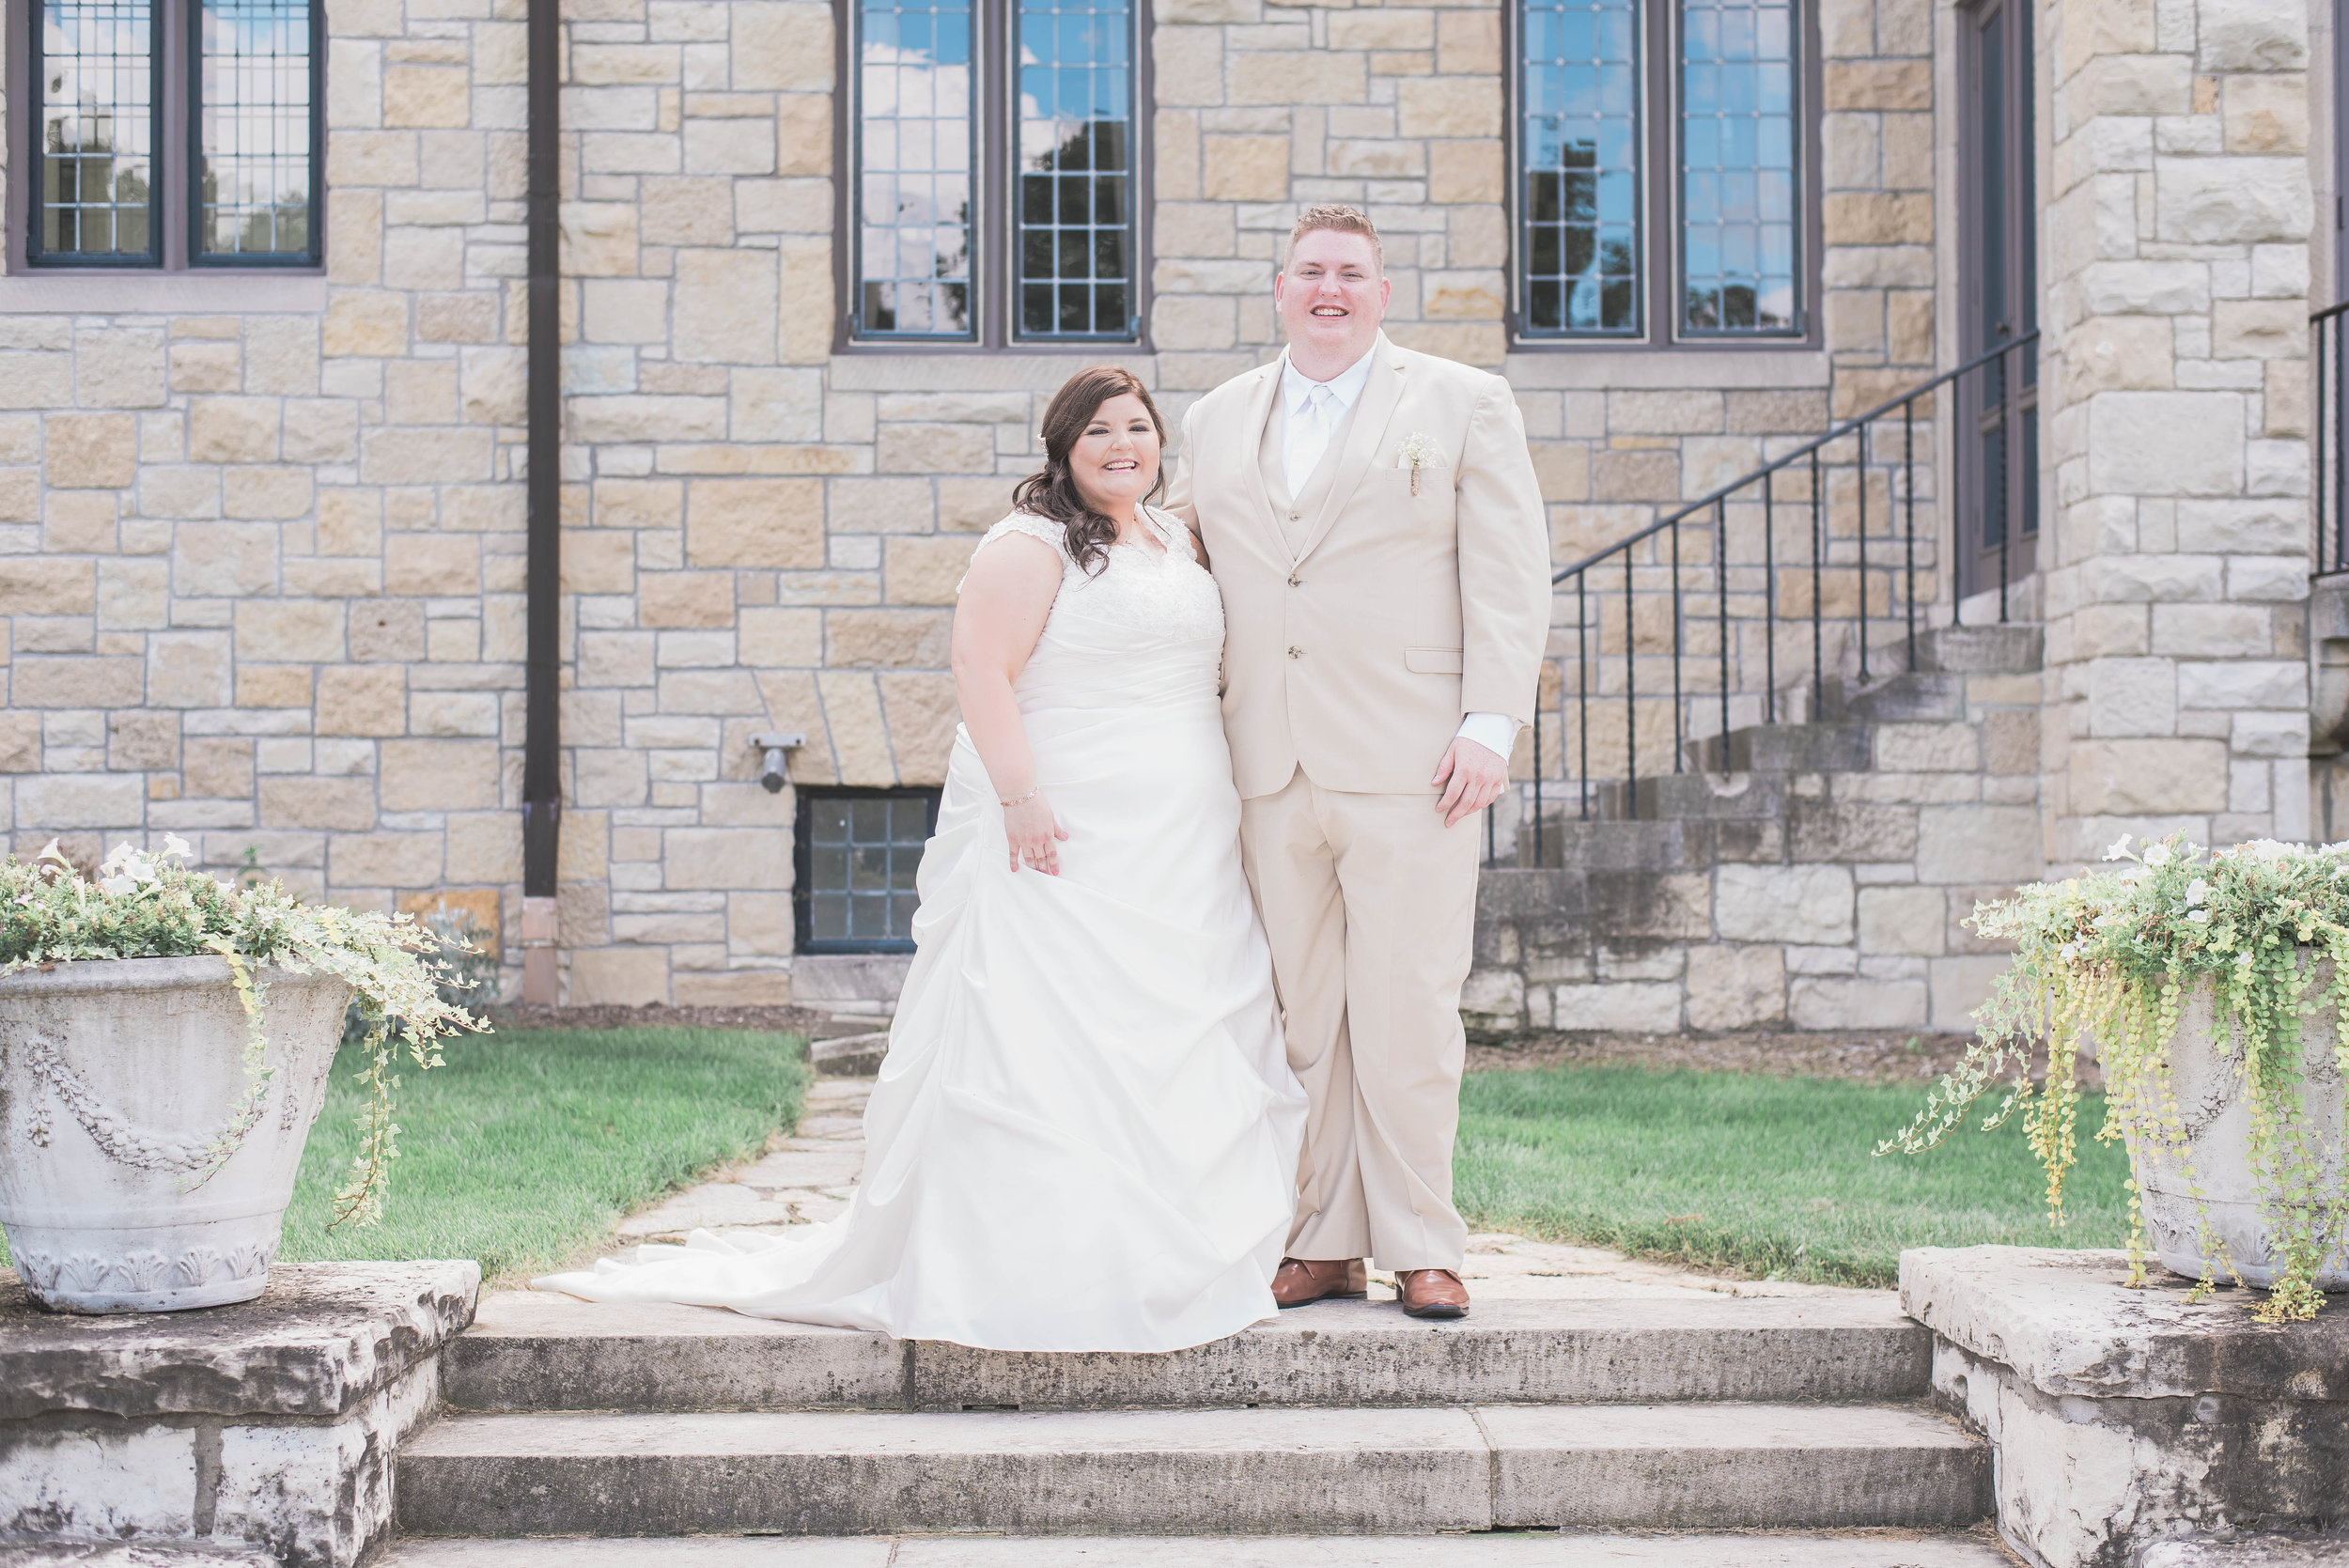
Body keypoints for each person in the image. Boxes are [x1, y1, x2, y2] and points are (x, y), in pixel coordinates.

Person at [534, 367, 1307, 1353]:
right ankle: (1048, 1260)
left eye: (1139, 428)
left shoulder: (1178, 539)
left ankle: (1186, 1240)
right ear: (1063, 447)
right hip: (1069, 827)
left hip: (1184, 833)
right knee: (1061, 1033)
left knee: (1185, 1025)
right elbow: (980, 669)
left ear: (1161, 443)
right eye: (1101, 431)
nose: (1124, 445)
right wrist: (1020, 796)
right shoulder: (1027, 546)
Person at [1164, 204, 1551, 1321]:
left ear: (1381, 295)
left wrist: (1491, 721)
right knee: (1298, 1015)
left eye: (1350, 273)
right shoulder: (1219, 415)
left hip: (1415, 758)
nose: (1328, 289)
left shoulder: (1461, 401)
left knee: (1410, 1009)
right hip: (1265, 761)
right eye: (1309, 272)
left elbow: (1510, 572)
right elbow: (1181, 547)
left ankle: (1424, 1241)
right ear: (1279, 290)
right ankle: (1321, 1238)